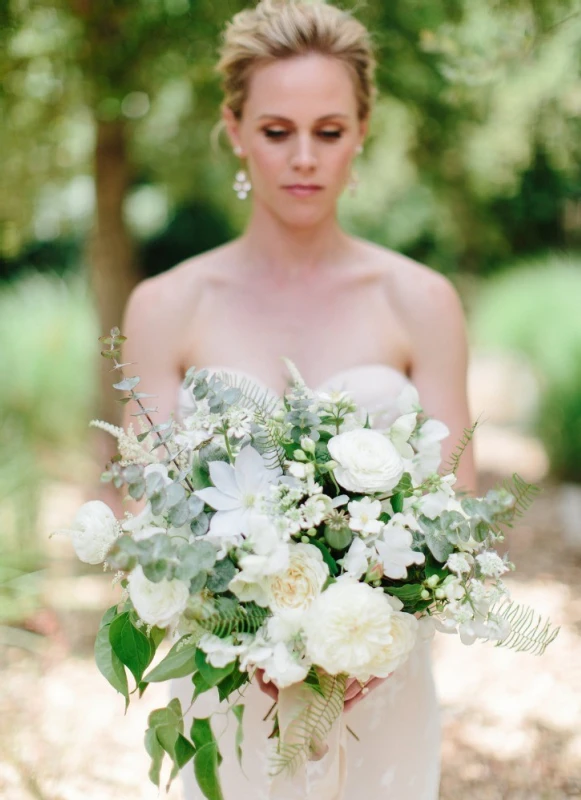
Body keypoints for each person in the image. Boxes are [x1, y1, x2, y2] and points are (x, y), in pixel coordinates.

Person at [121, 1, 476, 797]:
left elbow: (461, 497)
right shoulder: (167, 305)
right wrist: (246, 631)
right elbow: (138, 508)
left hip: (378, 677)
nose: (303, 158)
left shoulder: (419, 299)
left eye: (329, 130)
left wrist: (367, 638)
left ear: (361, 133)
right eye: (277, 131)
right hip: (226, 681)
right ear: (235, 129)